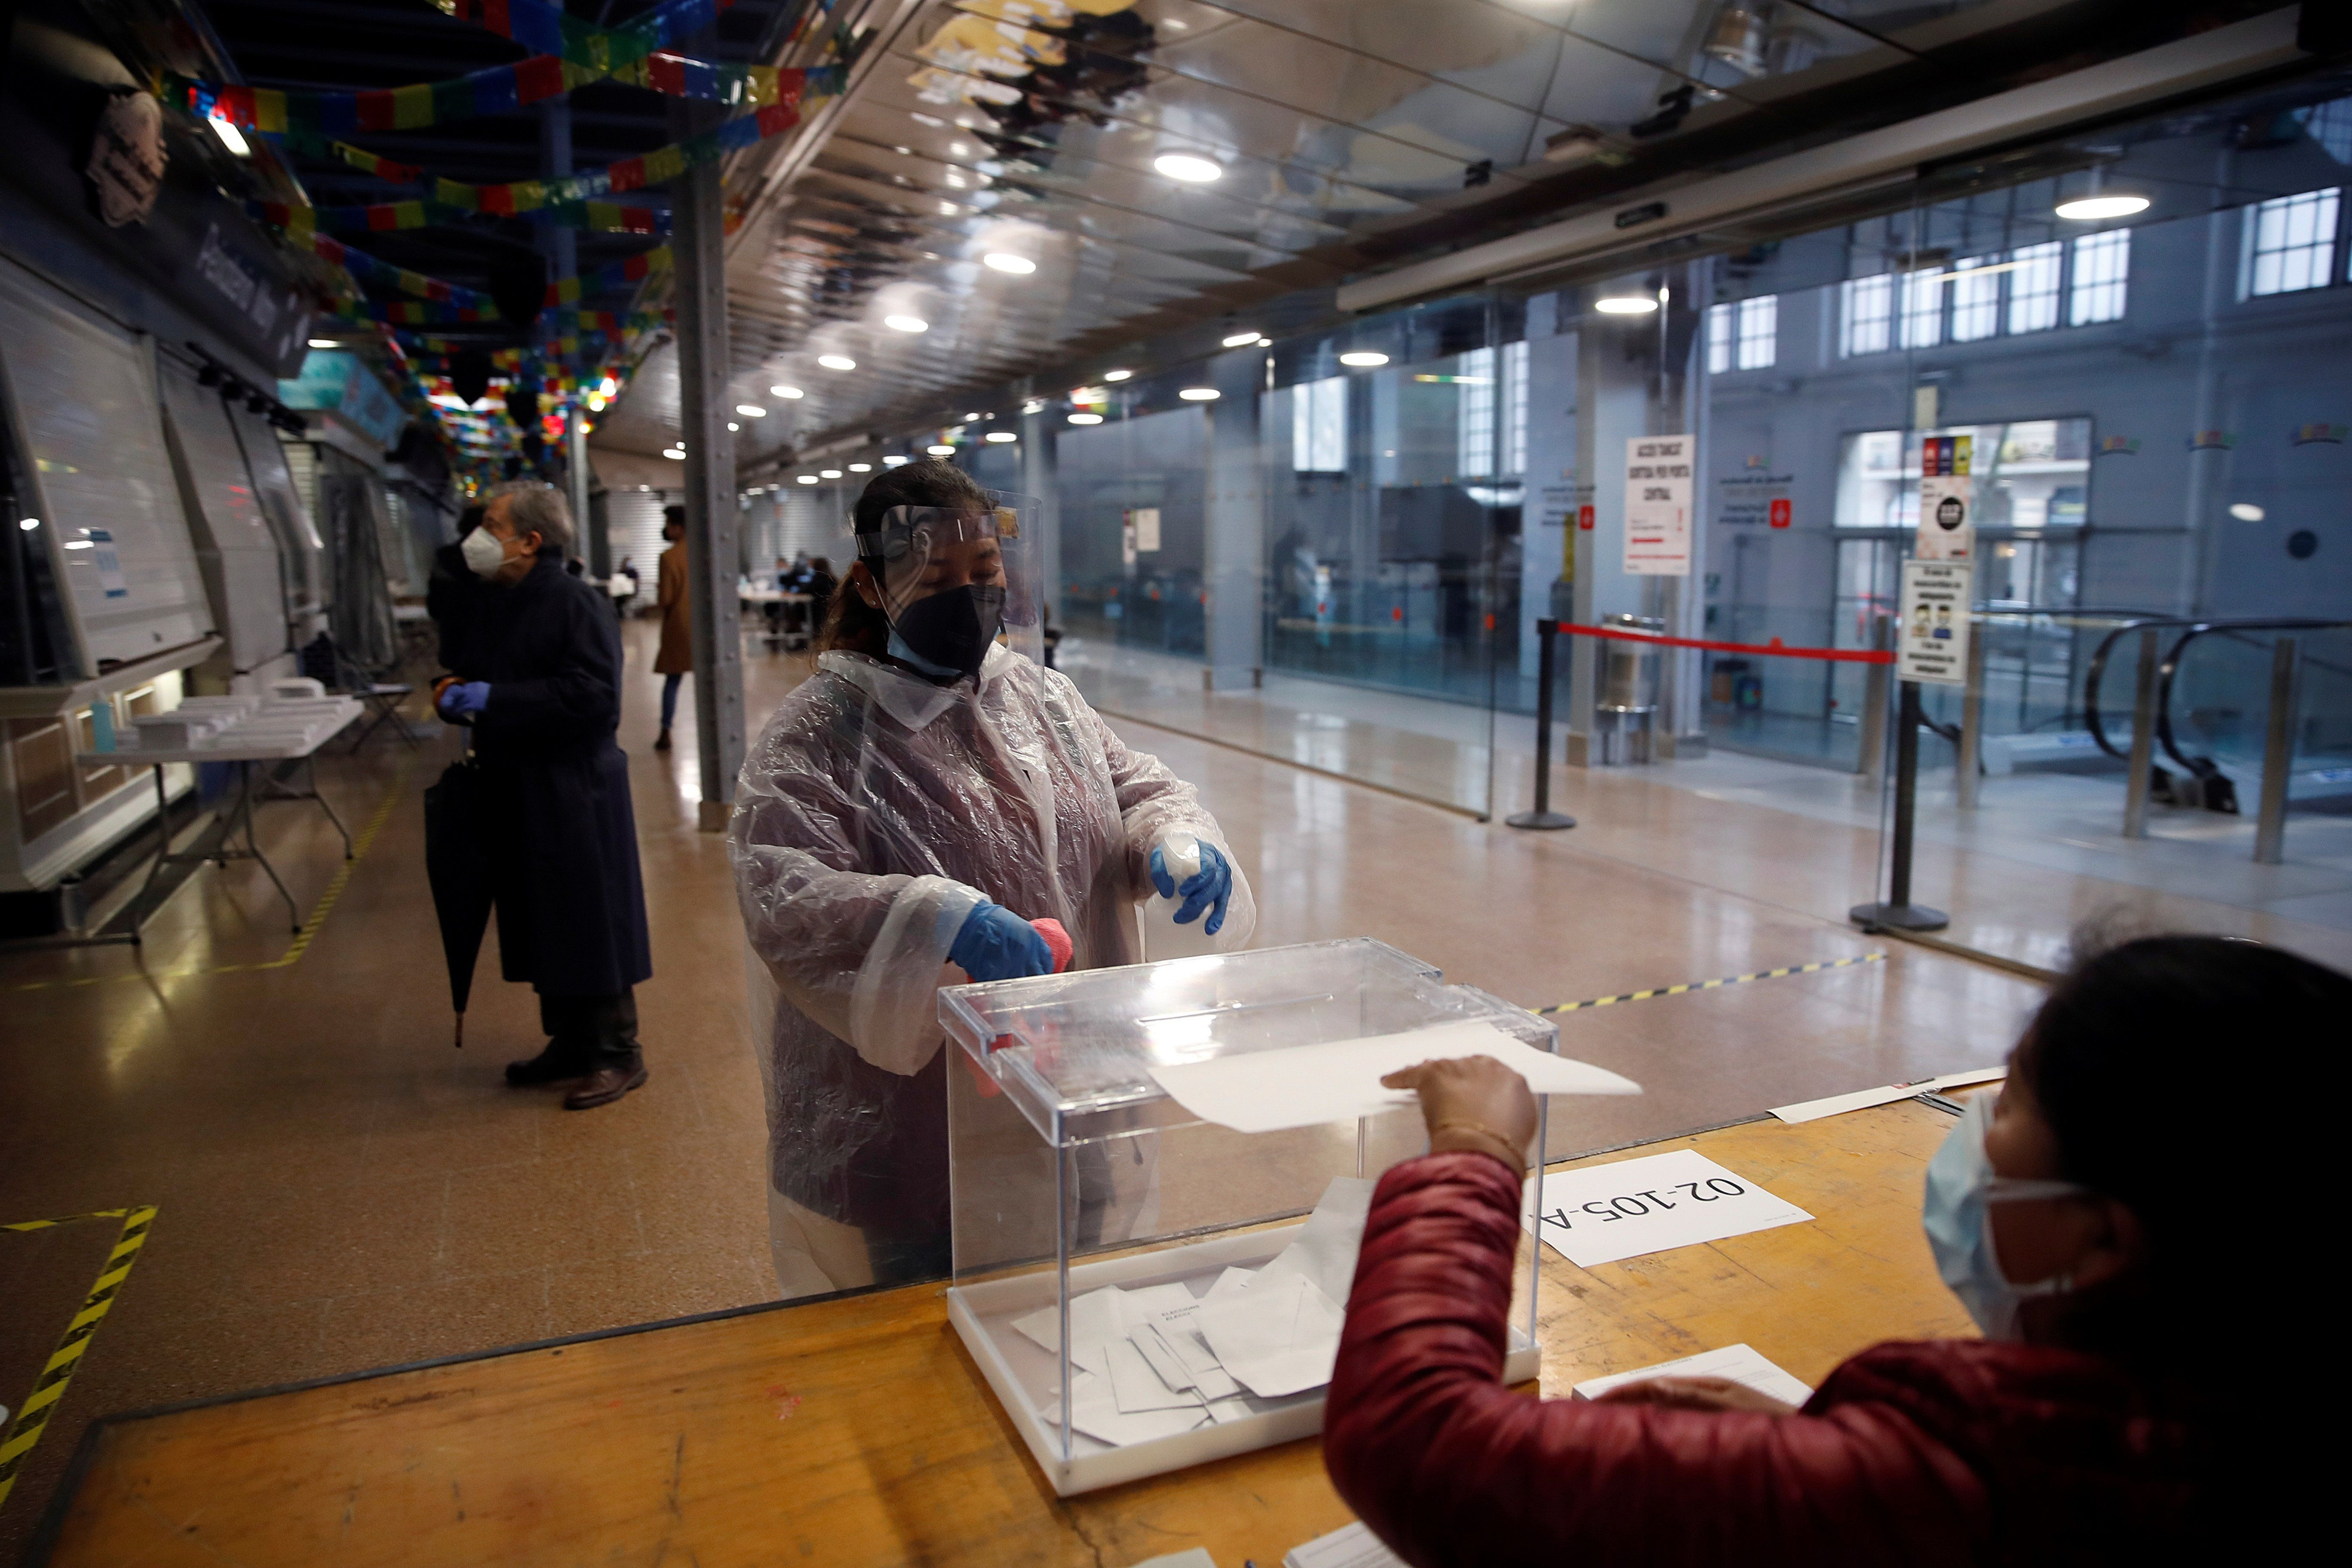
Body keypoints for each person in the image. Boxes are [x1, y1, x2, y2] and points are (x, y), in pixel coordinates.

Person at [1322, 933, 2344, 1565]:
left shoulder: (1986, 1464)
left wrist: (1474, 1150)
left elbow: (1419, 1439)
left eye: (2017, 1098)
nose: (1977, 1113)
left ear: (2106, 1232)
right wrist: (1826, 1461)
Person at [727, 461, 1254, 1296]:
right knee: (932, 1324)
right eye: (935, 578)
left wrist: (1175, 835)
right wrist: (939, 918)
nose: (968, 596)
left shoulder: (1042, 697)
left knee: (1075, 1307)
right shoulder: (823, 733)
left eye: (985, 574)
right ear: (869, 582)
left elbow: (1130, 782)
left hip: (1063, 1071)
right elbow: (783, 889)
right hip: (910, 1106)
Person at [433, 482, 653, 1111]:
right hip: (521, 782)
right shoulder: (504, 598)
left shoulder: (573, 602)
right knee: (545, 920)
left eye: (493, 526)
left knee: (589, 918)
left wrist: (494, 700)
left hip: (572, 789)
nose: (480, 538)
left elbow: (592, 698)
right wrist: (453, 688)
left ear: (530, 540)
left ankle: (617, 1051)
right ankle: (570, 1041)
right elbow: (473, 662)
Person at [425, 503, 487, 674]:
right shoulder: (497, 562)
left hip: (454, 644)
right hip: (491, 647)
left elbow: (434, 606)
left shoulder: (445, 559)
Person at [653, 504, 692, 751]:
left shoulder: (669, 558)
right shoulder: (703, 553)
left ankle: (666, 730)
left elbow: (666, 598)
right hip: (703, 627)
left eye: (668, 525)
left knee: (673, 679)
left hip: (678, 626)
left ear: (677, 527)